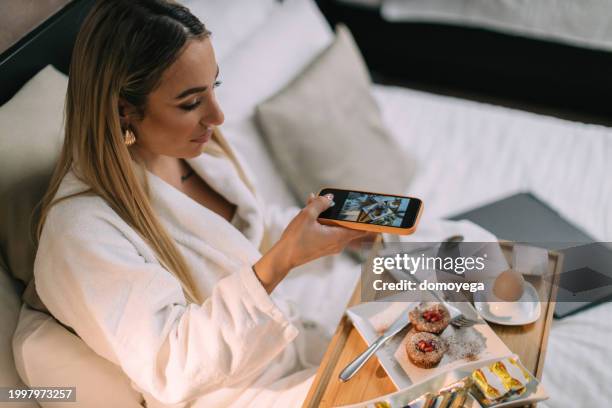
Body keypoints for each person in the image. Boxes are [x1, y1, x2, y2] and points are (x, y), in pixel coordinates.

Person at [19, 0, 374, 406]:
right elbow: (173, 366)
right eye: (190, 103)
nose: (218, 116)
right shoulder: (81, 232)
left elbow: (239, 239)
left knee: (451, 266)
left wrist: (326, 234)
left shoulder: (198, 150)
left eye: (214, 88)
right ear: (123, 110)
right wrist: (282, 262)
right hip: (242, 394)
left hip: (296, 351)